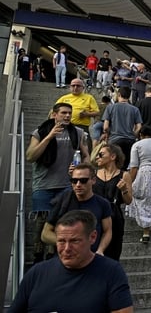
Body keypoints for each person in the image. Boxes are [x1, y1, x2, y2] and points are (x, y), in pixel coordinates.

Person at [8, 210, 133, 313]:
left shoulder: (111, 272)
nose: (67, 249)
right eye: (61, 241)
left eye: (75, 241)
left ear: (93, 237)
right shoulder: (37, 273)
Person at [26, 102, 89, 263]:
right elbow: (30, 156)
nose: (67, 116)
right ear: (54, 114)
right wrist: (49, 136)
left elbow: (86, 156)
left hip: (67, 185)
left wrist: (81, 168)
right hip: (44, 185)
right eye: (63, 113)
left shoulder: (78, 132)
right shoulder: (40, 131)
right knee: (42, 224)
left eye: (69, 113)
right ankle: (38, 258)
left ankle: (55, 256)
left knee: (64, 223)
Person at [41, 163, 112, 255]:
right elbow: (45, 233)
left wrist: (100, 250)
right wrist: (66, 243)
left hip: (91, 257)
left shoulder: (103, 204)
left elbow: (107, 231)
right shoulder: (63, 201)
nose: (78, 184)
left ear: (93, 180)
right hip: (65, 257)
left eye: (83, 180)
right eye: (74, 181)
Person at [93, 144, 132, 260]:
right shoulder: (93, 174)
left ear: (113, 156)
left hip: (114, 217)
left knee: (113, 254)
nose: (97, 158)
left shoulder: (124, 175)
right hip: (96, 216)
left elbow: (129, 201)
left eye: (101, 154)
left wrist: (124, 190)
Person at [101, 87, 143, 169]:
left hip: (114, 140)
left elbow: (105, 127)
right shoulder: (135, 109)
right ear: (129, 96)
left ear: (119, 95)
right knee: (125, 166)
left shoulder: (110, 107)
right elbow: (139, 126)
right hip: (129, 140)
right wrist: (134, 134)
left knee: (113, 165)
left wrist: (107, 133)